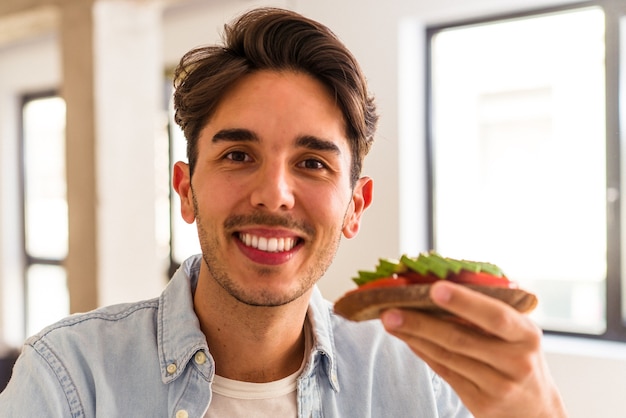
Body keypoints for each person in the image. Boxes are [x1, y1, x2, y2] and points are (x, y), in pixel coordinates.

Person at [0, 7, 567, 417]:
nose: (274, 194)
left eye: (313, 163)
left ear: (355, 206)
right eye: (238, 155)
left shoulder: (424, 386)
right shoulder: (68, 377)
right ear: (186, 191)